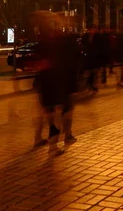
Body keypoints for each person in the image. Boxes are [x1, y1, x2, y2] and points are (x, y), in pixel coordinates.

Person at [32, 11, 81, 148]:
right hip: (56, 80)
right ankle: (59, 140)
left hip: (49, 80)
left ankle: (47, 139)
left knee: (48, 111)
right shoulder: (60, 40)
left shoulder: (45, 40)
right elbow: (72, 58)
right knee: (57, 111)